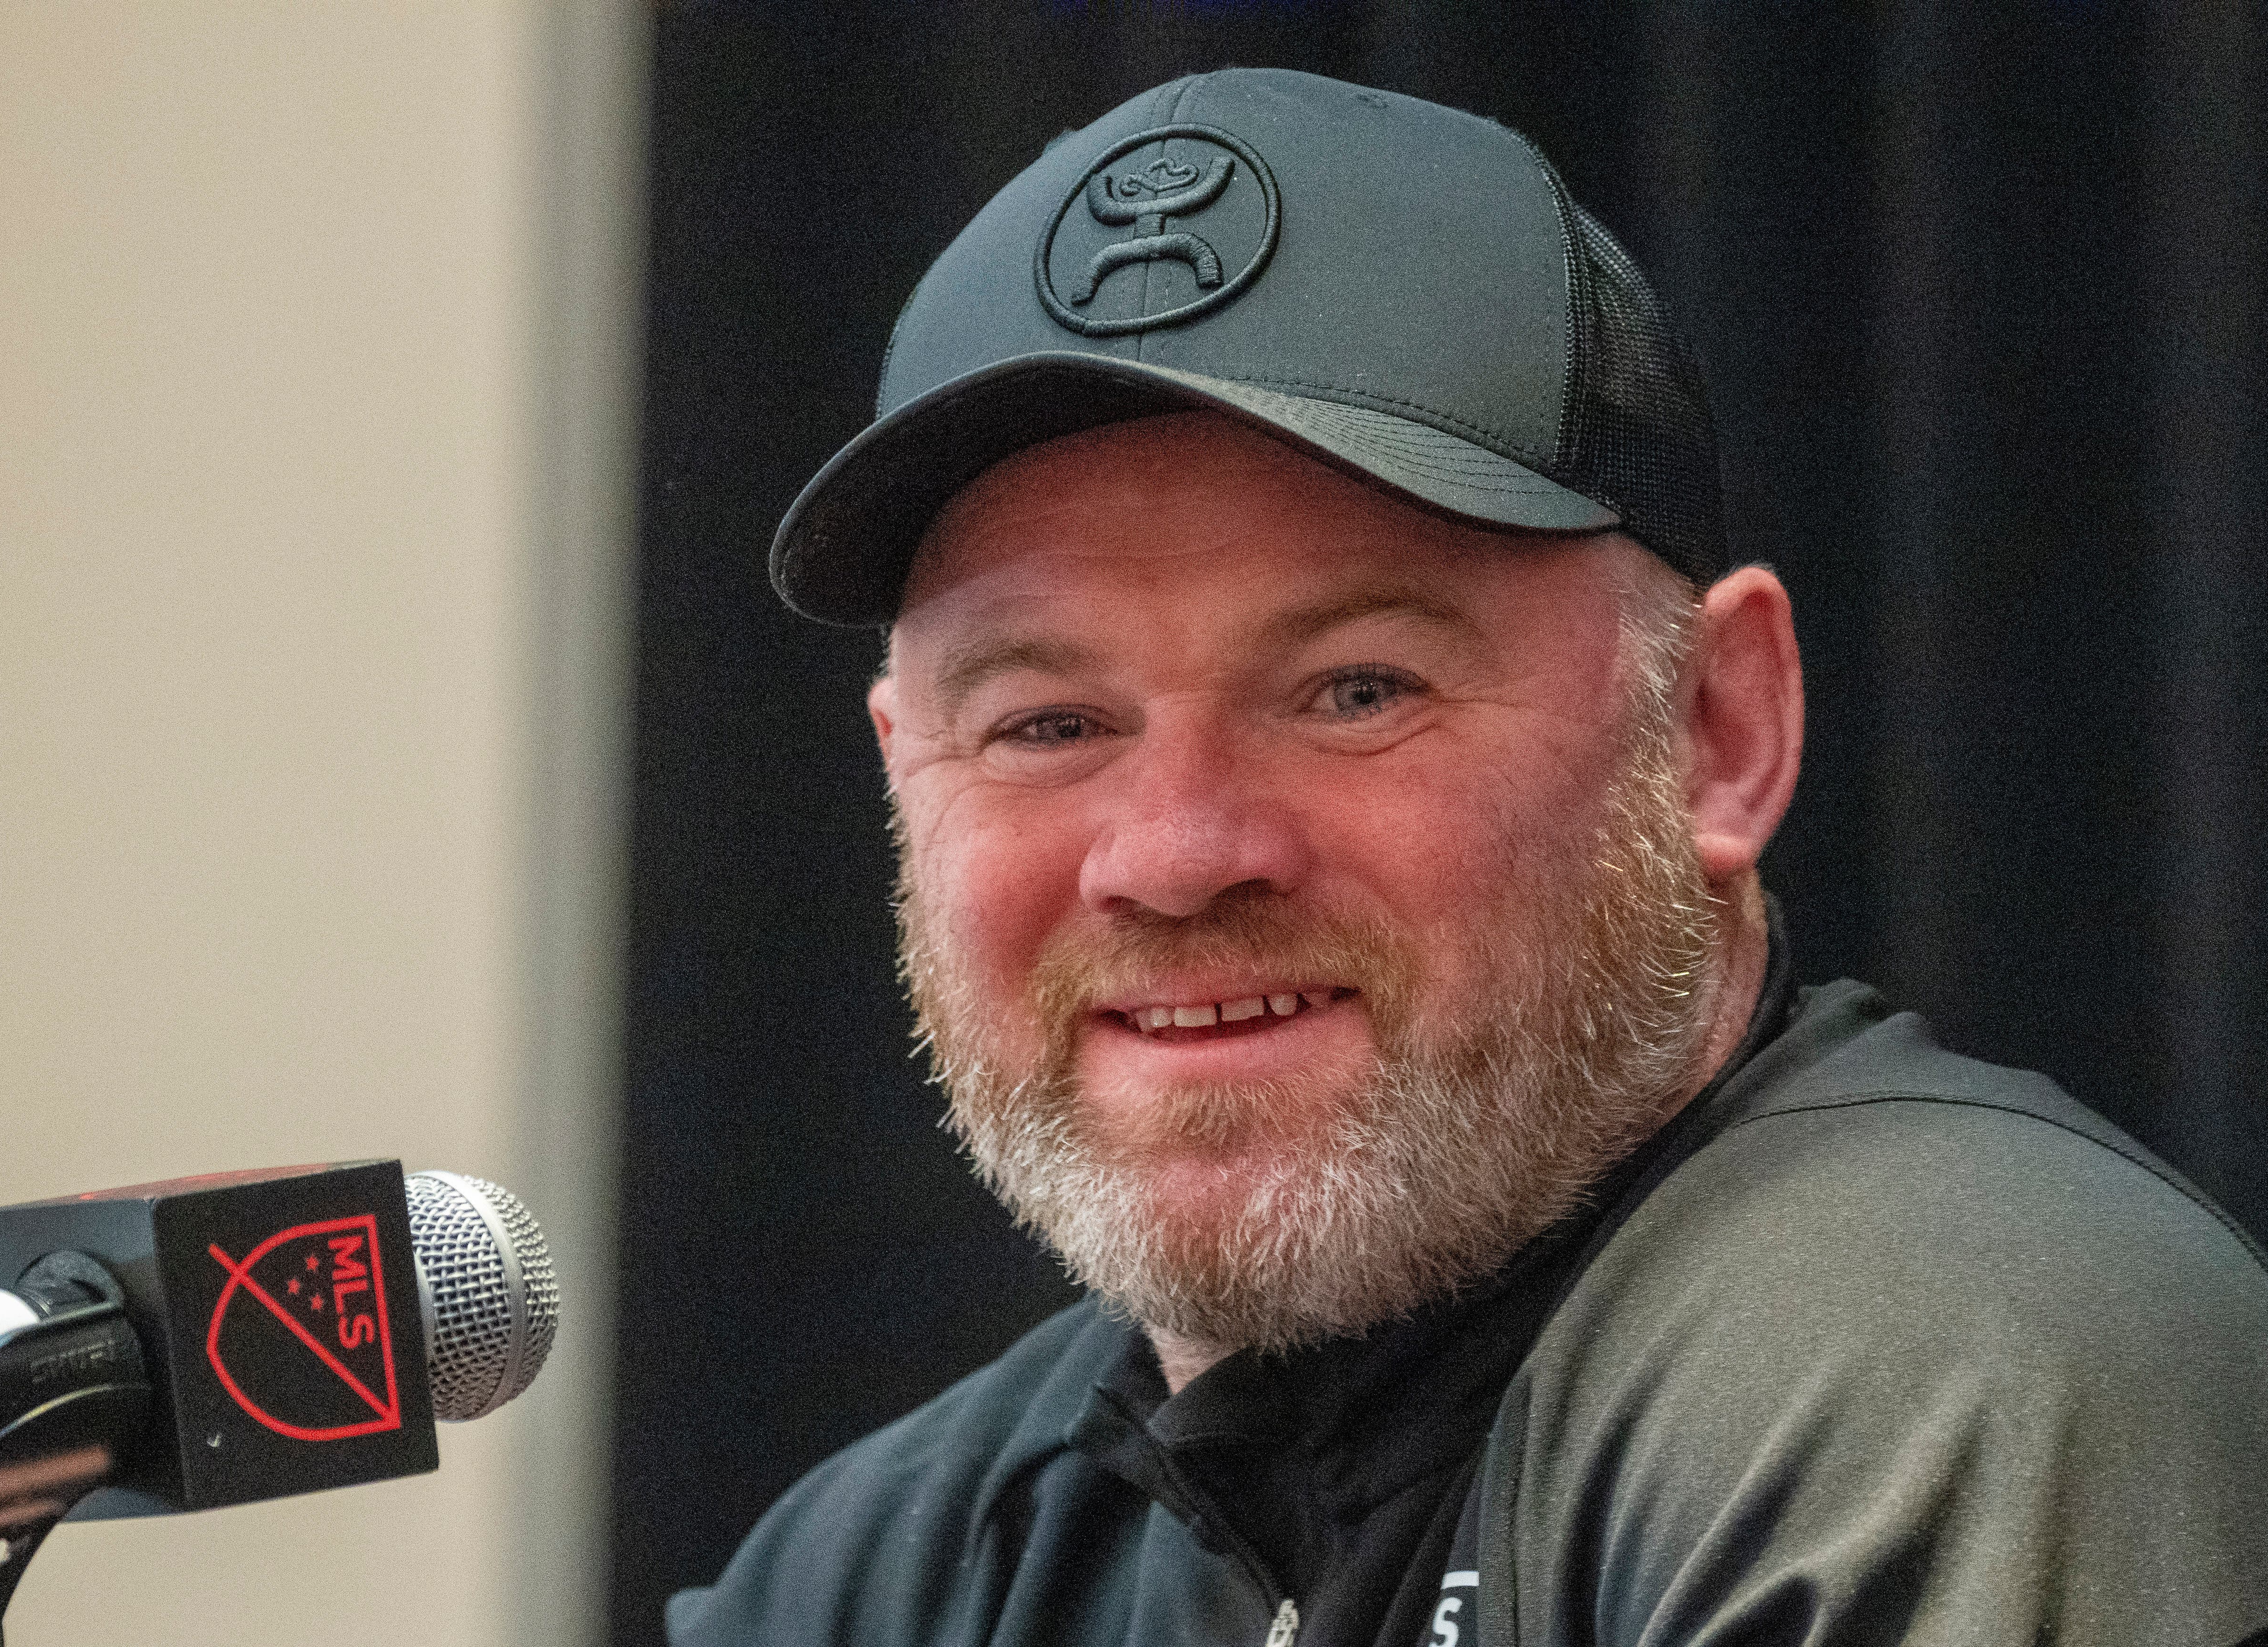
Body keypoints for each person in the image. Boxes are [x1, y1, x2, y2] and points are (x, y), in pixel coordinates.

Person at [668, 68, 2268, 1647]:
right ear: (901, 777)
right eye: (1044, 723)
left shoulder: (1927, 1356)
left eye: (1355, 690)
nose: (1171, 856)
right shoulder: (902, 1561)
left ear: (1715, 729)